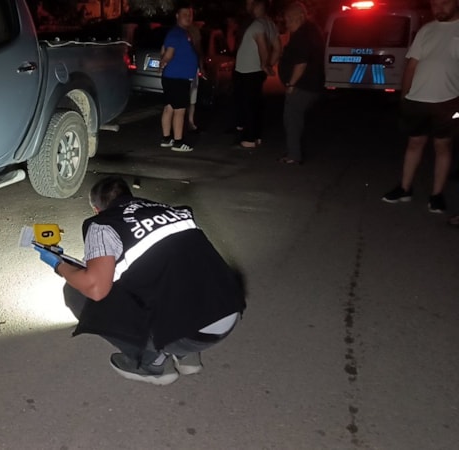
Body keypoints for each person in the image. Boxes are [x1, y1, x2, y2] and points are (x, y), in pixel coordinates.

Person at [33, 177, 246, 386]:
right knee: (173, 278)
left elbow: (95, 288)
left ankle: (152, 362)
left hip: (190, 335)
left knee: (76, 292)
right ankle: (186, 357)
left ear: (96, 209)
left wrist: (59, 265)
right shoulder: (174, 211)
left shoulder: (102, 224)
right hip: (227, 311)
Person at [381, 0, 459, 213]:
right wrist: (404, 96)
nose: (438, 8)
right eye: (434, 4)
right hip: (417, 99)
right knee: (414, 143)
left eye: (444, 3)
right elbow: (412, 65)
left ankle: (437, 194)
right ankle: (405, 188)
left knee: (443, 146)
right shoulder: (427, 29)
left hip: (448, 100)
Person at [277, 2, 325, 165]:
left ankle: (293, 155)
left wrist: (291, 84)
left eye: (289, 19)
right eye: (286, 20)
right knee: (295, 118)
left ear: (300, 17)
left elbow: (301, 63)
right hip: (311, 84)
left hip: (302, 86)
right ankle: (294, 151)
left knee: (292, 118)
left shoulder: (303, 35)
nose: (287, 23)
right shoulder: (311, 30)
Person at [233, 0, 280, 149]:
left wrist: (264, 64)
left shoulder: (258, 25)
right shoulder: (270, 24)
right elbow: (278, 48)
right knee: (255, 103)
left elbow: (263, 47)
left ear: (259, 6)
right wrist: (268, 65)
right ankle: (256, 135)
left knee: (249, 104)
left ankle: (249, 138)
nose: (250, 7)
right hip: (254, 71)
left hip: (248, 71)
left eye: (253, 3)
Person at [158, 3, 198, 152]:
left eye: (190, 15)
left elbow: (163, 49)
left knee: (169, 107)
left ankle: (166, 138)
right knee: (179, 110)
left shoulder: (179, 33)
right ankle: (178, 142)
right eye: (185, 14)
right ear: (177, 16)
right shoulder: (177, 33)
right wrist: (163, 63)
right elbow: (168, 52)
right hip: (177, 78)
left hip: (173, 77)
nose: (188, 17)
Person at [187, 15, 205, 132]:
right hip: (181, 68)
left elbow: (199, 49)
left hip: (192, 67)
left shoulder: (194, 30)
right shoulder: (178, 30)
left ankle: (190, 121)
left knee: (192, 96)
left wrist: (201, 66)